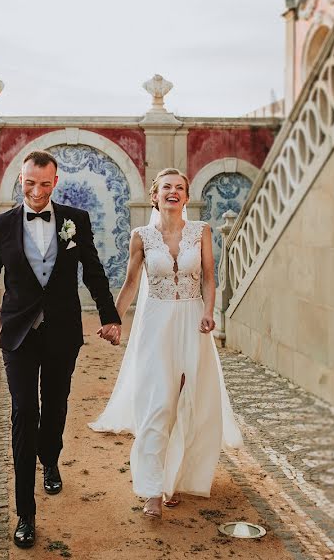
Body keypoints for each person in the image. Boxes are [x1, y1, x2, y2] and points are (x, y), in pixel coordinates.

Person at [0, 150, 120, 549]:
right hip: (18, 335)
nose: (37, 191)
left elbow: (93, 269)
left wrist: (108, 316)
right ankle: (25, 513)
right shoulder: (2, 225)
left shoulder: (74, 221)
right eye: (30, 183)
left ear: (55, 182)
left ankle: (51, 458)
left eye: (45, 184)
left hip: (62, 330)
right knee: (24, 412)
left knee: (57, 403)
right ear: (20, 180)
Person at [89, 167, 242, 519]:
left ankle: (178, 477)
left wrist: (207, 311)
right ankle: (152, 489)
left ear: (186, 197)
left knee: (190, 402)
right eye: (166, 187)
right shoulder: (141, 236)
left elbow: (208, 277)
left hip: (192, 324)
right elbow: (129, 284)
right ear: (155, 195)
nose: (173, 192)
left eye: (180, 187)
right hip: (155, 325)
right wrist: (114, 320)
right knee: (158, 404)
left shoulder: (201, 232)